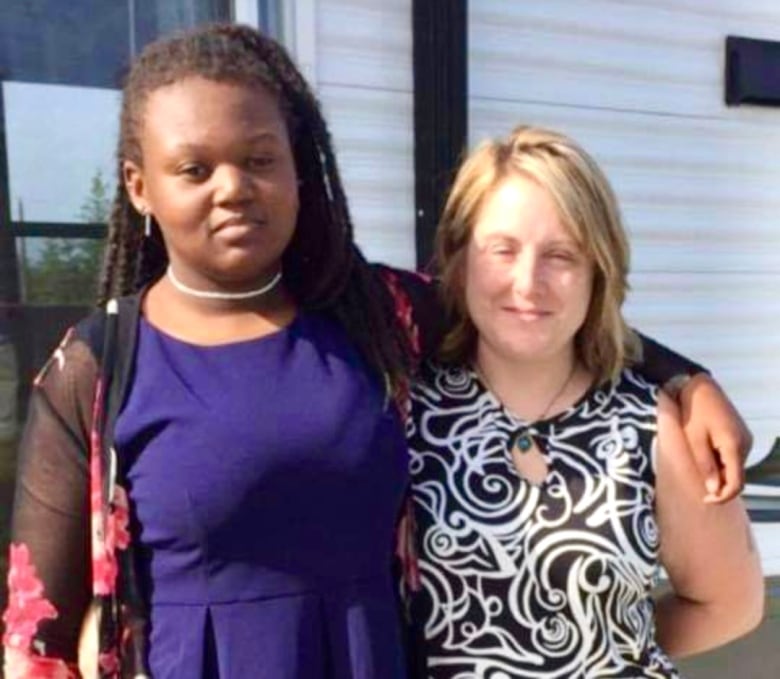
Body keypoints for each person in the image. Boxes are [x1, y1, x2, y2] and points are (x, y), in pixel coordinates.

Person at [0, 24, 752, 679]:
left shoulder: (372, 314)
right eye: (194, 168)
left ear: (300, 168)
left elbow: (524, 311)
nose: (232, 187)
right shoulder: (99, 366)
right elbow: (38, 630)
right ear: (139, 186)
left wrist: (685, 377)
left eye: (260, 159)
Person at [406, 126, 765, 678]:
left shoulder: (652, 423)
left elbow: (730, 605)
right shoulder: (406, 407)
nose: (528, 283)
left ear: (599, 270)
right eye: (501, 250)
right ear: (459, 259)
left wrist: (607, 649)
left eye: (561, 255)